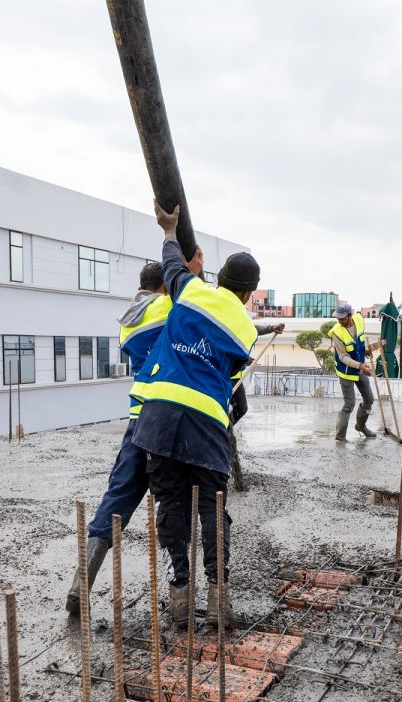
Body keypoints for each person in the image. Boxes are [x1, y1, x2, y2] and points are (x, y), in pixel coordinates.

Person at [130, 200, 259, 630]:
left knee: (170, 505)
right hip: (206, 425)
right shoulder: (246, 328)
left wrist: (169, 231)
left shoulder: (190, 289)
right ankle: (219, 600)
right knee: (212, 508)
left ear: (217, 279)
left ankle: (180, 599)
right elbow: (232, 372)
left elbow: (172, 267)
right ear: (248, 294)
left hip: (159, 418)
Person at [65, 254, 201, 614]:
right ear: (161, 286)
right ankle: (180, 595)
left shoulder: (127, 321)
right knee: (173, 501)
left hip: (138, 416)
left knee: (118, 496)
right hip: (166, 416)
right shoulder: (166, 306)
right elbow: (197, 306)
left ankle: (82, 580)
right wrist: (191, 273)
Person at [327, 303, 376, 441]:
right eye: (337, 318)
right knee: (349, 404)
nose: (339, 321)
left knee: (369, 399)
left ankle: (361, 426)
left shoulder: (359, 320)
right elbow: (343, 357)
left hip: (359, 367)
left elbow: (358, 342)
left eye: (342, 318)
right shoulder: (337, 332)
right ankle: (340, 437)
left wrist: (364, 351)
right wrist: (360, 366)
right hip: (346, 371)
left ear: (350, 315)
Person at [230, 322, 285, 425]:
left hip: (236, 377)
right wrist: (242, 358)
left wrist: (271, 328)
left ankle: (226, 429)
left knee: (241, 408)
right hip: (222, 376)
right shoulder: (226, 322)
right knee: (219, 408)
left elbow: (251, 328)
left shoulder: (242, 322)